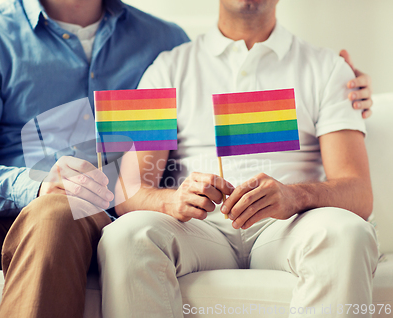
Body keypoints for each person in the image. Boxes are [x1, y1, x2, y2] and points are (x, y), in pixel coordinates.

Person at [0, 0, 372, 317]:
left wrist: (342, 81)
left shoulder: (161, 42)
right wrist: (34, 185)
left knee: (63, 209)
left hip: (86, 211)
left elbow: (227, 68)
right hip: (1, 207)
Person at [0, 0, 189, 317]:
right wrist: (35, 185)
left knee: (55, 211)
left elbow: (189, 153)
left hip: (106, 219)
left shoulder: (166, 43)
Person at [97, 1, 379, 317]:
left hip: (289, 227)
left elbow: (358, 192)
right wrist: (172, 200)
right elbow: (128, 190)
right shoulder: (166, 69)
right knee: (125, 236)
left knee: (348, 232)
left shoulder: (328, 68)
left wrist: (293, 196)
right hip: (200, 230)